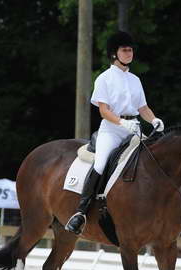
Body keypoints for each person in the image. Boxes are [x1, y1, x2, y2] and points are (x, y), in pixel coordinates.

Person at [65, 31, 165, 235]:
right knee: (101, 163)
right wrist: (121, 122)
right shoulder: (104, 78)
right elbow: (104, 110)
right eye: (125, 50)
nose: (129, 53)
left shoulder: (135, 80)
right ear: (114, 54)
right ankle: (81, 213)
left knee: (151, 162)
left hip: (134, 128)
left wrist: (154, 119)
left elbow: (143, 108)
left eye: (131, 50)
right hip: (112, 130)